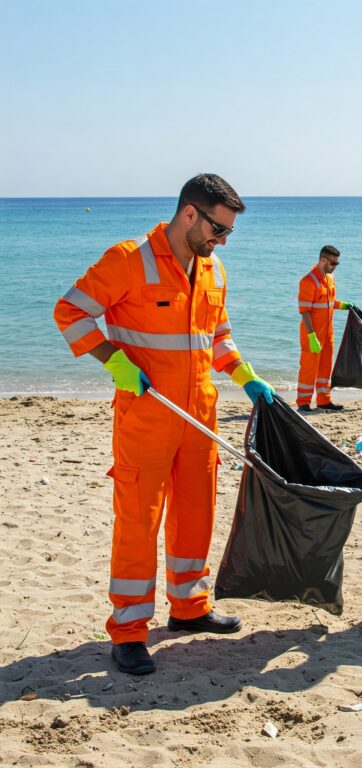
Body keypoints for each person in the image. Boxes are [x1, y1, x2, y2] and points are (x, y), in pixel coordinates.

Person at [53, 173, 275, 676]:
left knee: (195, 513)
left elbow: (217, 333)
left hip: (199, 414)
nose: (222, 242)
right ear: (190, 214)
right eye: (219, 230)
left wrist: (246, 375)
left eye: (229, 234)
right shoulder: (128, 259)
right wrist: (114, 361)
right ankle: (129, 631)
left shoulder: (213, 270)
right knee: (139, 521)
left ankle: (190, 607)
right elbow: (70, 312)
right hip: (147, 416)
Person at [296, 244, 354, 413]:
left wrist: (343, 305)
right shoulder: (308, 281)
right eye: (332, 263)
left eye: (337, 264)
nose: (335, 267)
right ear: (322, 260)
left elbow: (328, 303)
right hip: (312, 333)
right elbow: (305, 311)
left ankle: (324, 400)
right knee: (308, 369)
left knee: (325, 368)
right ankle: (303, 402)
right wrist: (311, 335)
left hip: (328, 333)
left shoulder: (330, 280)